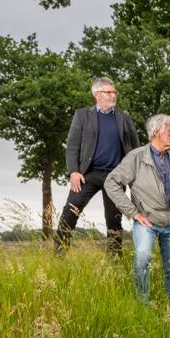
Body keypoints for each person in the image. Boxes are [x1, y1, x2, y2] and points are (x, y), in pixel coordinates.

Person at [104, 114, 170, 303]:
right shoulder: (136, 157)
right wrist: (133, 212)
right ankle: (142, 302)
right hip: (147, 222)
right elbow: (111, 182)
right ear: (156, 132)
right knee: (143, 257)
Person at [54, 77, 140, 255]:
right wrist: (73, 171)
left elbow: (135, 148)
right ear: (97, 95)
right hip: (87, 175)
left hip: (115, 177)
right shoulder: (82, 115)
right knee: (70, 212)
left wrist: (134, 174)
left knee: (114, 220)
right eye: (109, 92)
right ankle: (59, 254)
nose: (113, 95)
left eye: (114, 92)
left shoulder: (124, 118)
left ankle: (115, 259)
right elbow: (72, 146)